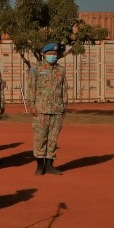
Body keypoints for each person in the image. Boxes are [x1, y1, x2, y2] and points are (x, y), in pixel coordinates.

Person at [27, 42, 67, 175]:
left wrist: (64, 107)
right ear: (44, 55)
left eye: (54, 54)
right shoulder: (36, 69)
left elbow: (63, 90)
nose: (52, 56)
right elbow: (31, 88)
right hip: (41, 110)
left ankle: (50, 165)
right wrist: (31, 105)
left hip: (56, 110)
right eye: (50, 54)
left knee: (53, 139)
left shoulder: (61, 70)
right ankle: (39, 165)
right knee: (40, 137)